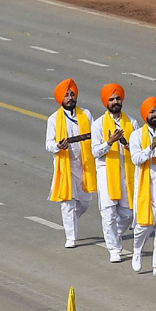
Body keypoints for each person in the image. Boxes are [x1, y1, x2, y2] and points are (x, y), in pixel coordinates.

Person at [45, 78, 96, 249]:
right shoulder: (54, 119)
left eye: (72, 94)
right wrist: (58, 146)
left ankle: (71, 220)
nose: (70, 97)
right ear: (61, 98)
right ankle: (71, 237)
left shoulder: (86, 115)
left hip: (84, 165)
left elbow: (94, 134)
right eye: (66, 95)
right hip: (65, 165)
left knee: (84, 202)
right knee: (67, 201)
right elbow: (48, 143)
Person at [90, 83, 136, 263]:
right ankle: (114, 248)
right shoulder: (98, 125)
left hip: (126, 173)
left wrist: (129, 146)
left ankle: (113, 235)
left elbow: (138, 148)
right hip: (106, 174)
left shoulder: (131, 122)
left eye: (117, 98)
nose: (115, 102)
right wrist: (109, 143)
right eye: (111, 99)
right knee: (108, 213)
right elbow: (95, 152)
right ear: (105, 103)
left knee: (128, 214)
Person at [129, 97, 156, 276]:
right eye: (152, 112)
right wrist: (150, 147)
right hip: (146, 184)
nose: (155, 115)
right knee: (143, 225)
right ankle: (137, 251)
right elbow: (136, 159)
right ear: (146, 114)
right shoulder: (137, 135)